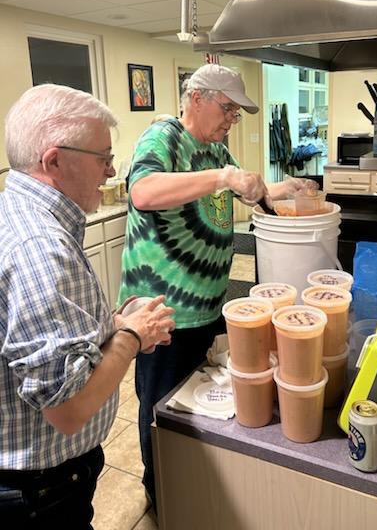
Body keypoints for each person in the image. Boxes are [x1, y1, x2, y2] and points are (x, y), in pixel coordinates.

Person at [118, 63, 317, 509]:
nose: (231, 120)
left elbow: (249, 190)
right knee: (160, 410)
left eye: (236, 113)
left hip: (207, 308)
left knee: (195, 406)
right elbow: (144, 192)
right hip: (161, 313)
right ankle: (161, 495)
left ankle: (191, 485)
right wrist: (226, 178)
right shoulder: (164, 137)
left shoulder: (216, 154)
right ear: (196, 99)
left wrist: (287, 189)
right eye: (226, 109)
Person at [0, 84, 175, 529]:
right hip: (40, 490)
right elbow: (70, 409)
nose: (112, 170)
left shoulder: (15, 211)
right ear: (54, 159)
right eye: (103, 157)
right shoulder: (42, 247)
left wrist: (112, 326)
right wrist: (133, 336)